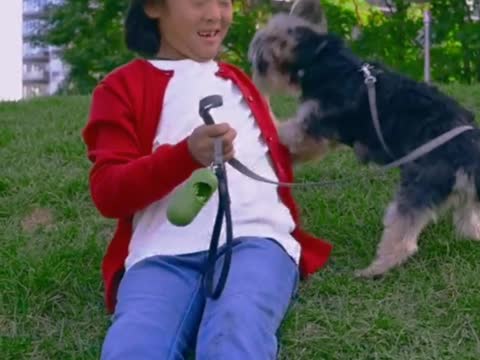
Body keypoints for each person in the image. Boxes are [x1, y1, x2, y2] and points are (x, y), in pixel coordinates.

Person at [82, 0, 332, 358]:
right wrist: (184, 156)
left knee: (236, 330)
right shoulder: (120, 87)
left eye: (224, 2)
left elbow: (277, 147)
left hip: (256, 240)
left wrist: (329, 127)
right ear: (154, 7)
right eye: (199, 1)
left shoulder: (239, 80)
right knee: (134, 346)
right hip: (160, 254)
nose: (215, 14)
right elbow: (108, 192)